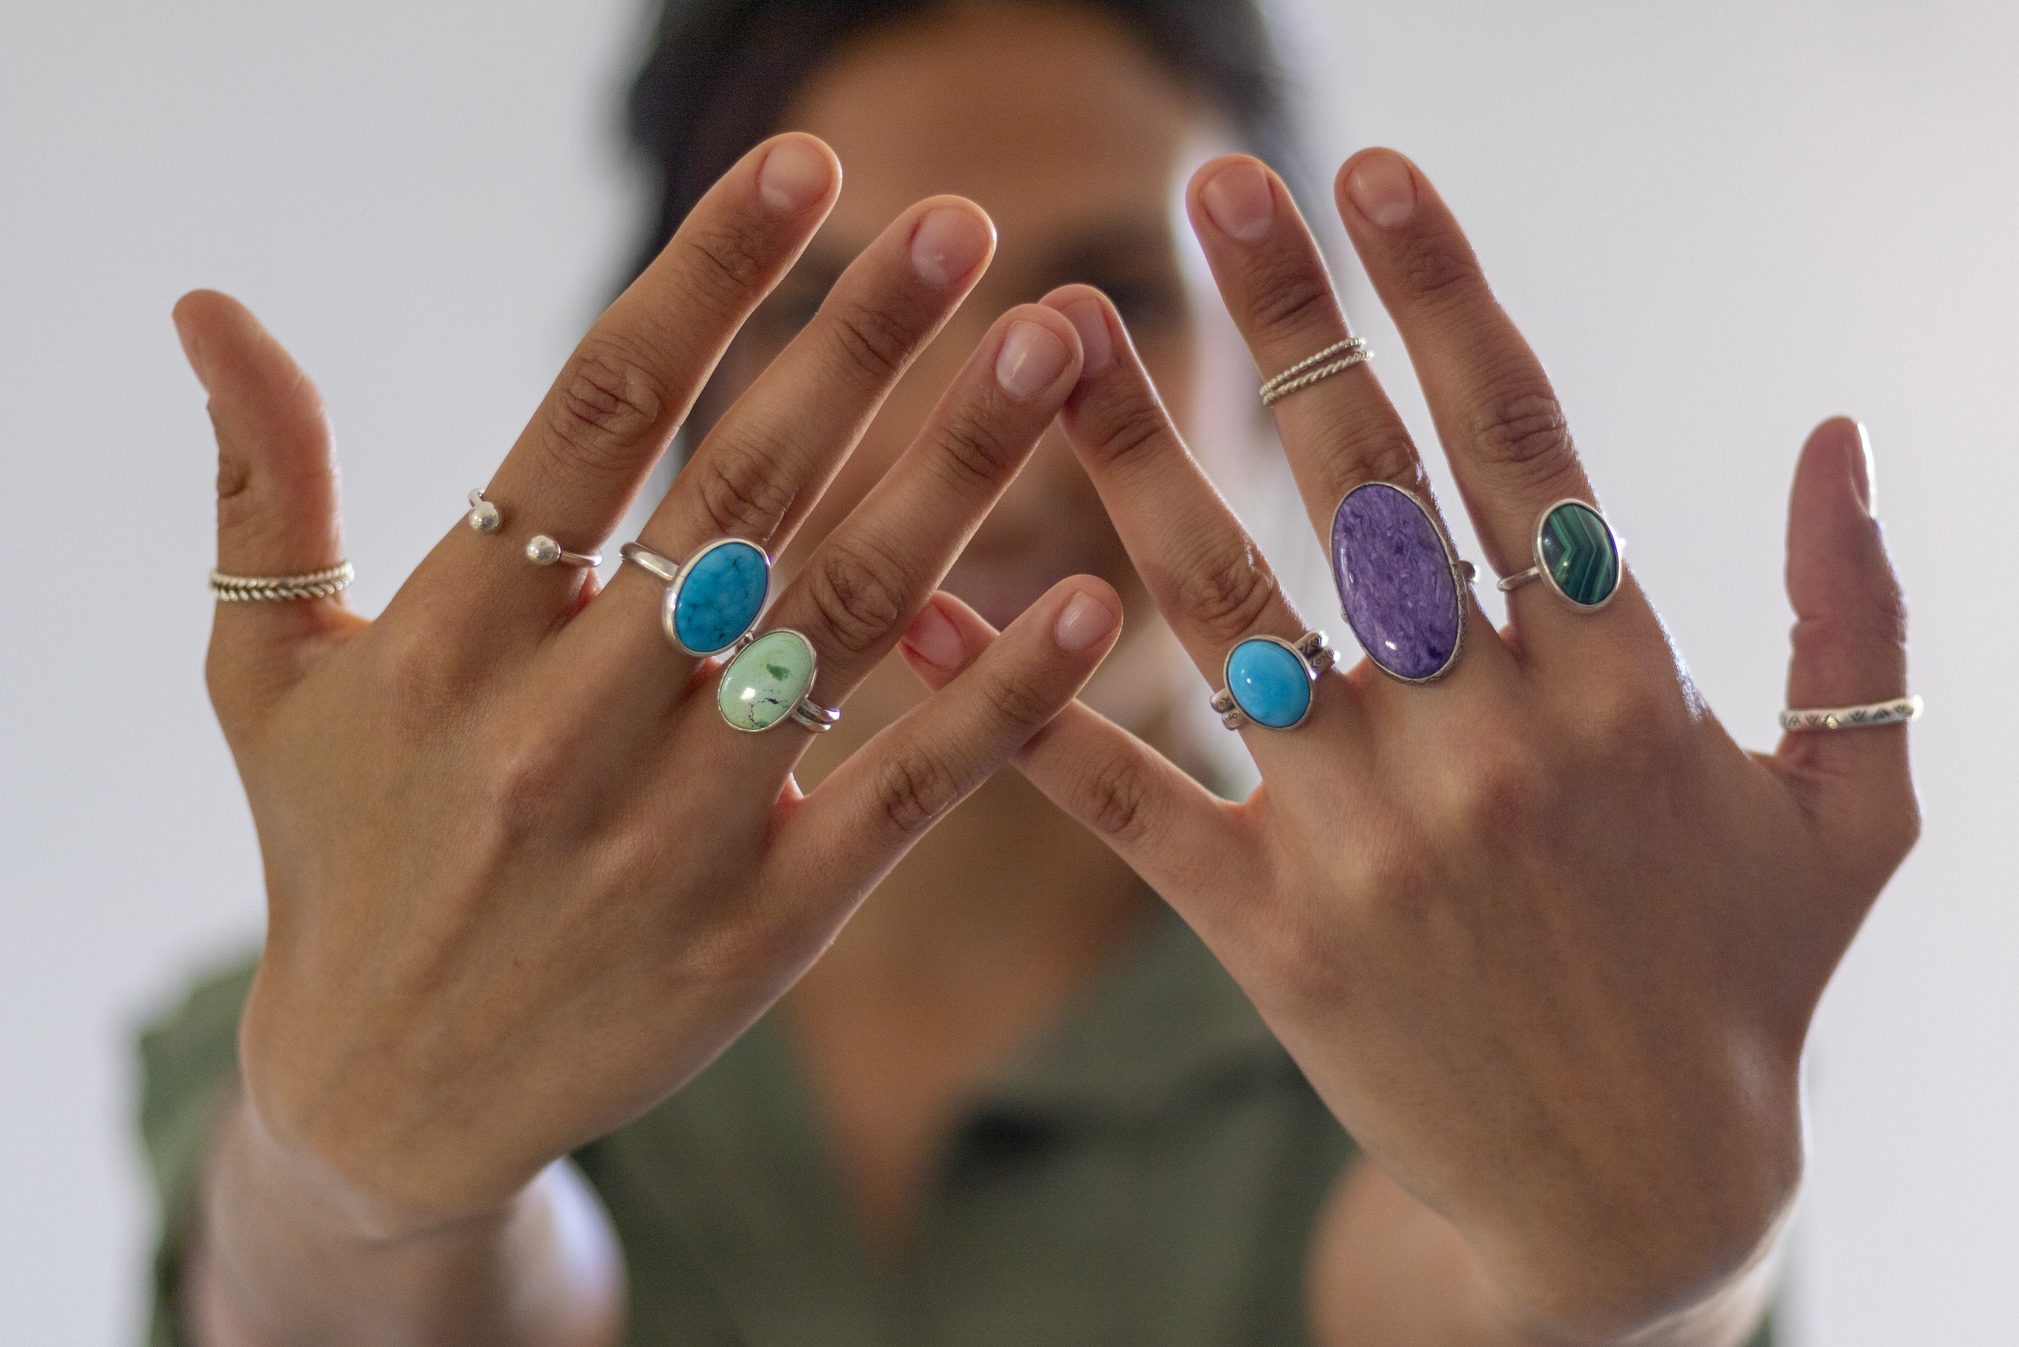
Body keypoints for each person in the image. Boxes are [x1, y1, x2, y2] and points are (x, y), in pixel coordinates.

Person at [136, 0, 1922, 1343]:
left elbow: (1465, 1283)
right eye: (844, 317)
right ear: (689, 390)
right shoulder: (396, 958)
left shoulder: (1529, 973)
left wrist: (1650, 1269)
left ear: (1259, 377)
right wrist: (343, 1171)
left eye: (1105, 304)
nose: (974, 418)